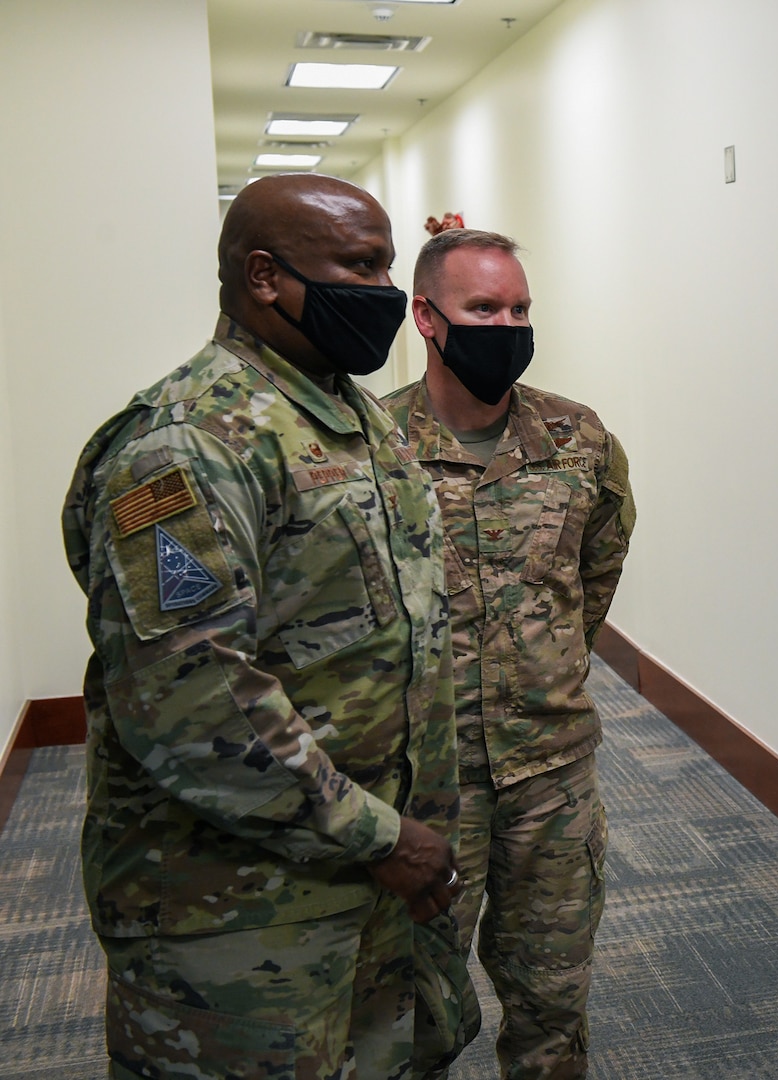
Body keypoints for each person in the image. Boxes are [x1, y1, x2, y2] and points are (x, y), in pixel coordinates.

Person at [61, 174, 462, 1079]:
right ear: (264, 276)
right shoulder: (188, 443)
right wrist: (381, 835)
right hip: (233, 908)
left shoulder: (354, 417)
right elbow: (193, 698)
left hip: (367, 876)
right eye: (361, 267)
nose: (386, 293)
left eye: (389, 265)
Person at [383, 228, 635, 1080]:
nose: (507, 325)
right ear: (426, 317)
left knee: (552, 1007)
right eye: (482, 308)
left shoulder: (579, 439)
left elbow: (595, 570)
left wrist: (546, 660)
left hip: (552, 778)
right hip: (425, 783)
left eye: (520, 307)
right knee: (414, 1012)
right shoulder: (372, 451)